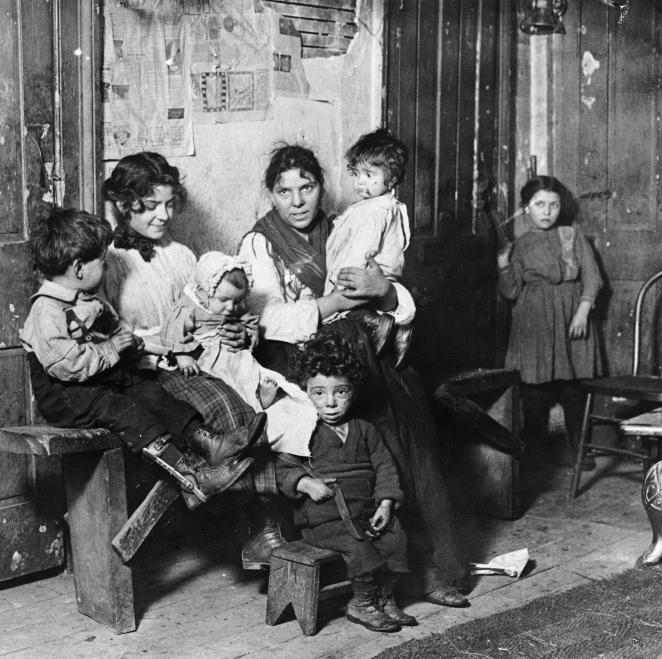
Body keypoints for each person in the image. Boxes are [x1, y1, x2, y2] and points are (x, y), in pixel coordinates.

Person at [238, 143, 470, 607]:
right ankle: (388, 570)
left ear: (323, 188)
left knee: (412, 420)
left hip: (362, 357)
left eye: (307, 187)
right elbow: (265, 322)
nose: (297, 200)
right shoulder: (259, 243)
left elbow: (402, 303)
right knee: (374, 412)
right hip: (298, 364)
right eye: (284, 191)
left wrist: (384, 290)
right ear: (271, 194)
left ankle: (436, 565)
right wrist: (337, 305)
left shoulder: (353, 223)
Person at [101, 152, 288, 570]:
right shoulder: (109, 260)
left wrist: (240, 331)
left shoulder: (184, 255)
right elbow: (109, 334)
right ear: (124, 203)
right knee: (230, 408)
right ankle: (258, 528)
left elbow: (214, 307)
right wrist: (163, 347)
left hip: (201, 359)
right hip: (147, 369)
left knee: (261, 407)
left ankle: (267, 528)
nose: (164, 215)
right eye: (151, 206)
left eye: (169, 204)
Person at [19, 208, 262, 509]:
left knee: (150, 391)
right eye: (102, 261)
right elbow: (66, 366)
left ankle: (208, 443)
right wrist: (112, 348)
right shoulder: (47, 310)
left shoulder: (90, 300)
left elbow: (122, 336)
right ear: (79, 268)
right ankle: (190, 477)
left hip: (96, 381)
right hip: (65, 395)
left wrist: (147, 346)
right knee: (128, 411)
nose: (106, 268)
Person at [276, 330, 414, 632]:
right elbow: (282, 468)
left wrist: (386, 502)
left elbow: (385, 466)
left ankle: (384, 598)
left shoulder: (364, 429)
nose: (331, 403)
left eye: (341, 392)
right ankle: (361, 603)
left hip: (364, 510)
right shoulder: (302, 429)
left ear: (354, 390)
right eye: (319, 393)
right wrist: (305, 484)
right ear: (305, 391)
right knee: (357, 546)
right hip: (324, 517)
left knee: (396, 539)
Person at [160, 251, 318, 457]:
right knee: (231, 384)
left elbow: (248, 322)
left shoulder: (231, 306)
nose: (230, 307)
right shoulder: (188, 308)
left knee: (249, 371)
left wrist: (248, 333)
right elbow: (171, 331)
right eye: (224, 300)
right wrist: (182, 355)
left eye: (237, 301)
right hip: (208, 359)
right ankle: (256, 406)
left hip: (232, 354)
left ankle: (262, 398)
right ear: (202, 292)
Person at [497, 175, 602, 467]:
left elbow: (593, 278)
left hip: (571, 318)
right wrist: (504, 266)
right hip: (534, 322)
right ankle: (535, 456)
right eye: (539, 204)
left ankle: (580, 452)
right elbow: (511, 292)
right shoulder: (521, 244)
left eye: (553, 205)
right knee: (534, 391)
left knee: (572, 389)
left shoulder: (571, 235)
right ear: (525, 208)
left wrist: (582, 311)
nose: (546, 211)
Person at [324, 129, 413, 359]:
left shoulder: (374, 211)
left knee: (348, 315)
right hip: (384, 277)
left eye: (369, 174)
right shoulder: (383, 204)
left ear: (392, 178)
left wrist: (341, 283)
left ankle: (377, 324)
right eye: (356, 173)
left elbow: (362, 248)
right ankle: (397, 331)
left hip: (365, 275)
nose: (360, 182)